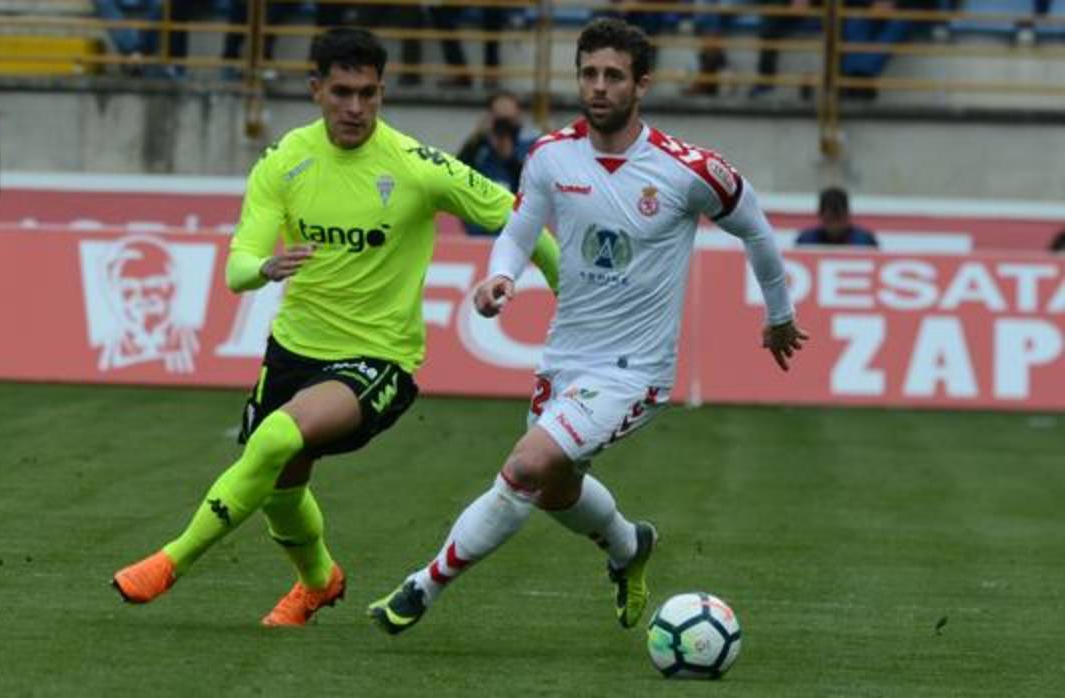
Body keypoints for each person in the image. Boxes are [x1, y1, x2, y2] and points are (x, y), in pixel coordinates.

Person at [368, 17, 807, 635]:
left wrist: (779, 314)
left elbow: (756, 229)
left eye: (613, 76)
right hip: (564, 359)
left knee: (525, 468)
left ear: (642, 84)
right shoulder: (550, 157)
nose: (598, 87)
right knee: (553, 488)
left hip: (634, 374)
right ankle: (630, 548)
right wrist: (502, 276)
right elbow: (519, 231)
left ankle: (422, 586)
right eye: (589, 74)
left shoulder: (689, 171)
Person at [111, 27, 561, 627]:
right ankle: (318, 581)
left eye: (368, 94)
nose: (355, 108)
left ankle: (171, 562)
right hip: (294, 350)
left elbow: (521, 218)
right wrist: (266, 266)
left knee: (273, 439)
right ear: (315, 89)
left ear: (382, 92)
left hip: (378, 360)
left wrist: (568, 299)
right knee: (279, 490)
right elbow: (238, 266)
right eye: (342, 92)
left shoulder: (414, 166)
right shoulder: (284, 161)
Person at [456, 90, 537, 235]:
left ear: (518, 115)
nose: (504, 126)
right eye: (500, 120)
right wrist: (478, 137)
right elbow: (457, 172)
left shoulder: (530, 144)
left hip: (515, 223)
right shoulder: (479, 144)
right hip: (480, 222)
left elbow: (534, 187)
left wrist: (510, 158)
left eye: (508, 120)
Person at [795, 187, 879, 247]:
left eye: (839, 218)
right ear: (820, 215)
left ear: (847, 215)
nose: (835, 225)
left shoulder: (864, 241)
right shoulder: (807, 241)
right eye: (830, 219)